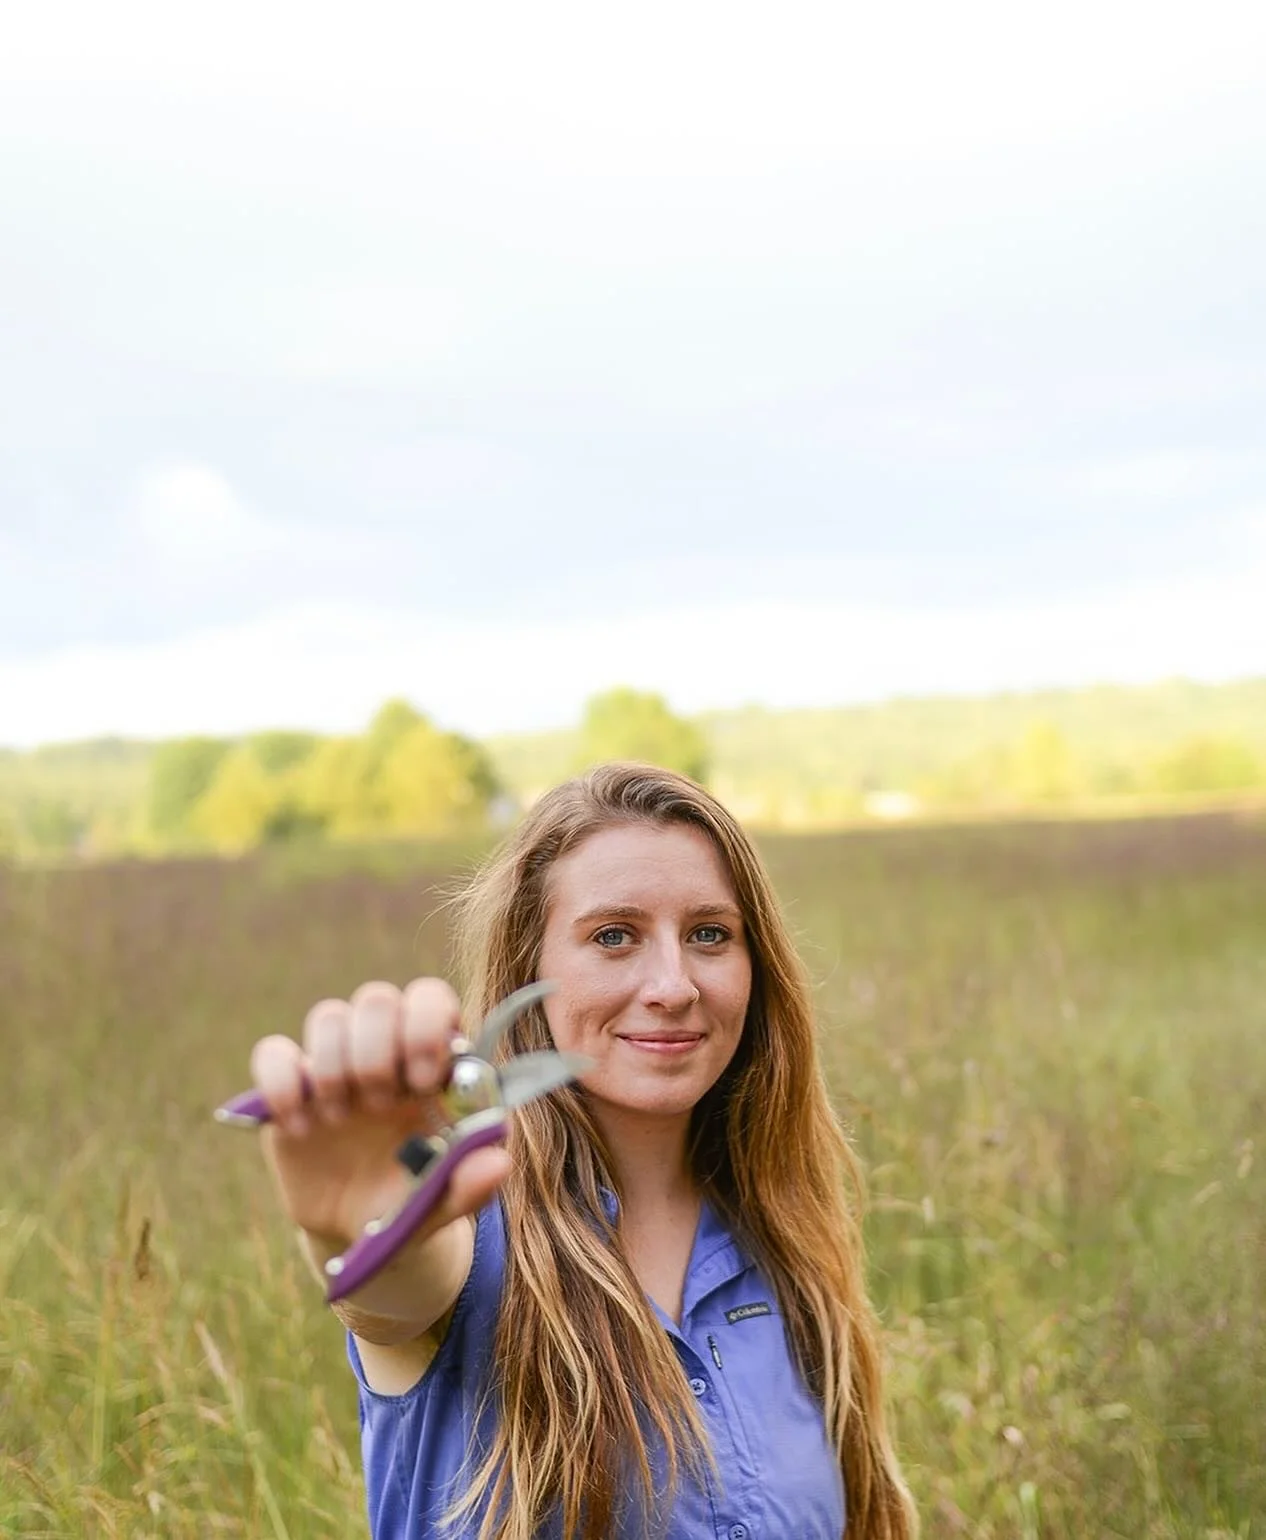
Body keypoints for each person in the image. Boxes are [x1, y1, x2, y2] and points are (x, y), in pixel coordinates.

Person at [247, 762, 918, 1540]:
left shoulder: (784, 1235)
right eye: (613, 936)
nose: (673, 984)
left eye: (709, 934)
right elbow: (393, 1290)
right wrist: (360, 1236)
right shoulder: (467, 1240)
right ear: (528, 968)